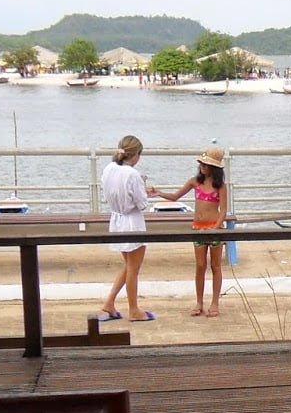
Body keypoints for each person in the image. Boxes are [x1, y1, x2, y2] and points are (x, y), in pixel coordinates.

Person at [158, 146, 231, 316]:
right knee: (199, 266)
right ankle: (199, 302)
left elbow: (223, 210)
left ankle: (215, 302)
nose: (202, 167)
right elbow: (176, 196)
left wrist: (216, 227)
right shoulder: (194, 182)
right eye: (201, 164)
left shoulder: (220, 186)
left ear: (214, 168)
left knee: (215, 266)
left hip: (214, 229)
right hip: (198, 228)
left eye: (205, 165)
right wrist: (159, 193)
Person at [97, 135, 160, 323]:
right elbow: (141, 204)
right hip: (132, 222)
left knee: (128, 266)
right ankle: (134, 309)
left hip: (116, 219)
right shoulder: (132, 174)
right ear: (136, 154)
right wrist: (145, 193)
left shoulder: (109, 169)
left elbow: (114, 191)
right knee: (134, 268)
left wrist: (140, 192)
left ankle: (109, 303)